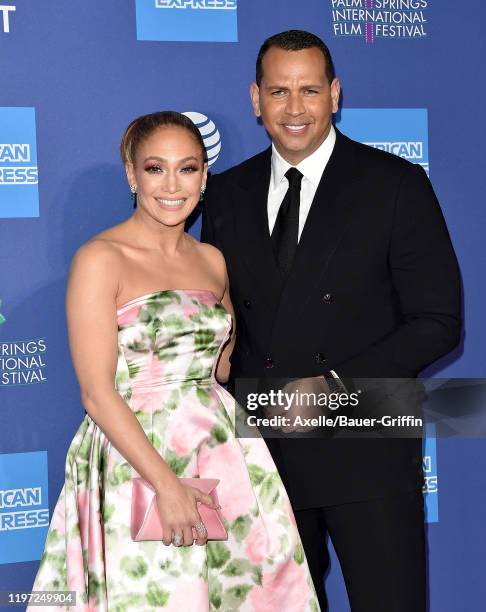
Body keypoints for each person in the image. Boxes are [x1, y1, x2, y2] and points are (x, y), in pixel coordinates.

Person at [202, 30, 461, 611]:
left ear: (335, 95)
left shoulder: (394, 185)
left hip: (366, 444)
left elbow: (437, 321)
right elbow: (221, 315)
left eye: (310, 90)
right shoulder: (225, 194)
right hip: (265, 452)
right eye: (279, 91)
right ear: (255, 99)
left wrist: (335, 386)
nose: (295, 109)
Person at [28, 111, 319, 611]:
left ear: (204, 177)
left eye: (187, 169)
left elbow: (222, 367)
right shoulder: (101, 259)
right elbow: (97, 392)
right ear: (131, 173)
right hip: (139, 459)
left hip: (223, 453)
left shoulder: (211, 260)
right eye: (155, 168)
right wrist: (166, 485)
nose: (172, 185)